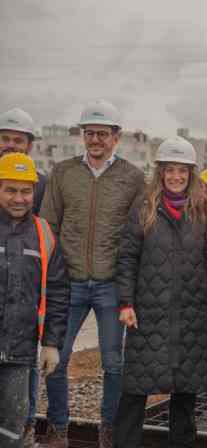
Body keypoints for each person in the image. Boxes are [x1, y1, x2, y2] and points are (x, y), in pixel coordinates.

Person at [41, 100, 146, 448]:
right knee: (57, 356)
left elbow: (135, 234)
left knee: (113, 362)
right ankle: (58, 427)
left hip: (110, 285)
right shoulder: (63, 173)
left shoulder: (132, 178)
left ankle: (109, 428)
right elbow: (48, 227)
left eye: (103, 133)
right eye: (90, 133)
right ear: (82, 135)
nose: (96, 139)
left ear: (116, 137)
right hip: (68, 283)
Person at [112, 137, 207, 447]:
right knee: (135, 391)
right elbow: (127, 258)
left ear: (192, 174)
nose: (176, 177)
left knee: (185, 397)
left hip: (191, 315)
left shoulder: (203, 211)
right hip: (148, 315)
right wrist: (125, 302)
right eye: (170, 170)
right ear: (160, 172)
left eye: (182, 171)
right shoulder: (144, 208)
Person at [0, 153, 69, 448]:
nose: (19, 198)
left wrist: (52, 344)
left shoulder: (43, 234)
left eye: (25, 191)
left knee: (12, 430)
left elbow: (57, 291)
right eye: (10, 190)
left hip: (19, 353)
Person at [0, 108, 49, 447]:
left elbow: (42, 246)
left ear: (29, 145)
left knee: (21, 388)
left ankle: (26, 428)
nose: (11, 145)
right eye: (5, 139)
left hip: (21, 326)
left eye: (18, 140)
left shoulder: (40, 183)